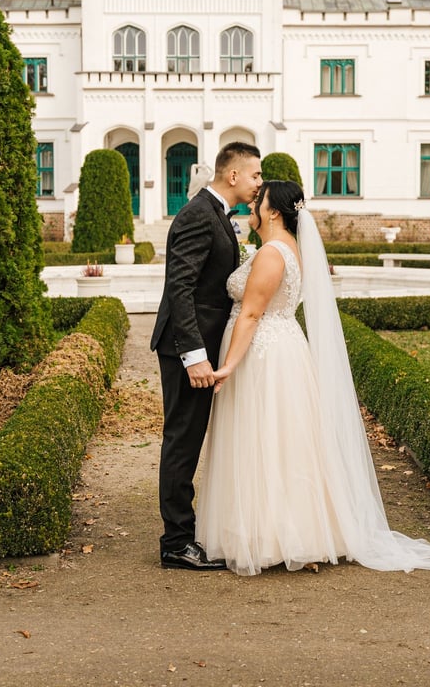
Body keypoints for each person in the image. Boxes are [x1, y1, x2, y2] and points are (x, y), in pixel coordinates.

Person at [196, 180, 430, 576]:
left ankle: (269, 536)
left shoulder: (272, 253)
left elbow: (251, 314)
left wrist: (228, 366)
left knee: (265, 438)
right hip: (282, 347)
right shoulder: (289, 248)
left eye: (258, 201)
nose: (251, 206)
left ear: (273, 212)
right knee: (285, 442)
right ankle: (286, 531)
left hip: (263, 355)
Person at [151, 141, 263, 571]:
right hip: (186, 349)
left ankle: (185, 532)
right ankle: (176, 542)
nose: (259, 182)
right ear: (233, 175)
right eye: (255, 174)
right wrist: (194, 355)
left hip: (200, 345)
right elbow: (179, 288)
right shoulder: (199, 214)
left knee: (189, 438)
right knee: (182, 440)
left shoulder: (216, 213)